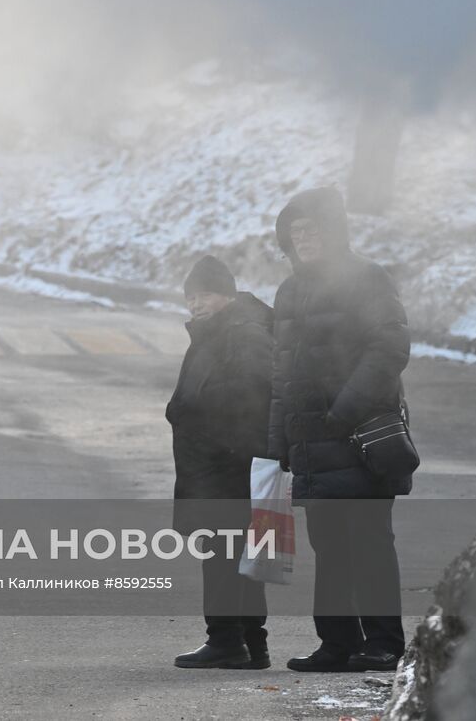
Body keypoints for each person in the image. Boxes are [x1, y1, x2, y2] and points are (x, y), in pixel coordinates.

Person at [268, 187, 413, 672]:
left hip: (360, 437)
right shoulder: (289, 291)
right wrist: (278, 443)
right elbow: (280, 376)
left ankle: (386, 643)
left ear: (333, 232)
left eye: (312, 229)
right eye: (296, 231)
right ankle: (337, 643)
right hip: (310, 443)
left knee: (369, 542)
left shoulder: (366, 278)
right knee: (329, 548)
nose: (304, 238)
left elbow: (389, 348)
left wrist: (344, 410)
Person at [168, 255, 274, 670]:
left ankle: (228, 640)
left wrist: (224, 444)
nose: (196, 303)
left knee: (224, 556)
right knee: (237, 557)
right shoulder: (217, 333)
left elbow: (252, 396)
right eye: (191, 296)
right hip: (220, 466)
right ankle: (250, 644)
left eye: (205, 294)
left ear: (227, 294)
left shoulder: (243, 335)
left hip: (230, 467)